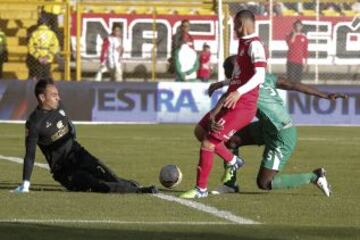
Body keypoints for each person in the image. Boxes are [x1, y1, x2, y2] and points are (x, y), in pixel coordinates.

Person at [207, 56, 347, 197]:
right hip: (266, 127)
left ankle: (314, 176)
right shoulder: (262, 77)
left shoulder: (244, 86)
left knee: (264, 183)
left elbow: (228, 96)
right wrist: (324, 95)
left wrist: (213, 114)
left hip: (282, 134)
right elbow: (291, 84)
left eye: (228, 70)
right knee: (231, 140)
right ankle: (230, 184)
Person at [13, 79, 158, 194]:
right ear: (42, 97)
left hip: (79, 154)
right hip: (63, 170)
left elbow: (67, 121)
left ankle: (128, 184)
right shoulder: (34, 123)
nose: (58, 98)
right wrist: (26, 183)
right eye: (54, 95)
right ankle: (139, 191)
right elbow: (30, 155)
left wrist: (71, 129)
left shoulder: (59, 106)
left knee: (108, 175)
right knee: (94, 183)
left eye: (58, 94)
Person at [179, 10, 267, 199]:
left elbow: (260, 76)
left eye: (235, 25)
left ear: (242, 24)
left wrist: (238, 92)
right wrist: (223, 84)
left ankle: (200, 189)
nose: (234, 30)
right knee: (200, 131)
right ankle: (232, 159)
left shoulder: (255, 45)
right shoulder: (243, 45)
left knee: (209, 142)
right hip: (232, 99)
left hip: (243, 105)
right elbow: (240, 77)